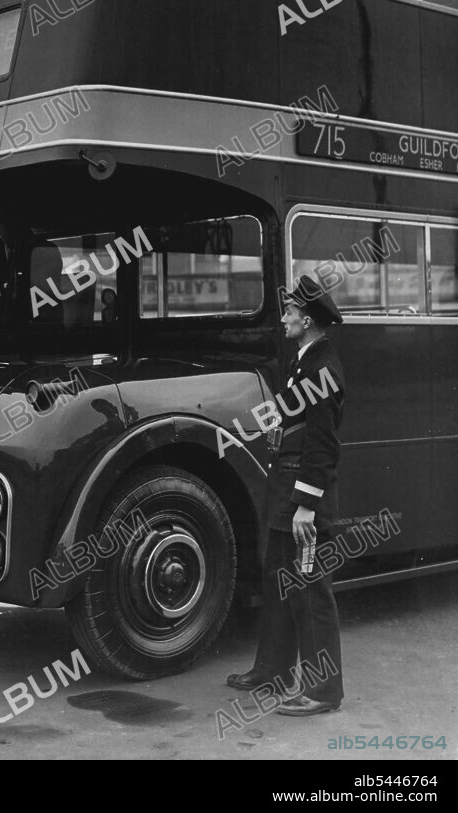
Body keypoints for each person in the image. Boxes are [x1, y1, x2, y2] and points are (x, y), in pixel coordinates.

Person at [227, 275, 346, 717]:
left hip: (302, 500)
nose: (284, 318)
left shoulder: (322, 369)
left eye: (291, 312)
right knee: (279, 579)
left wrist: (306, 506)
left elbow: (323, 444)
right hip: (287, 492)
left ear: (308, 318)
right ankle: (272, 671)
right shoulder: (306, 361)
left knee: (310, 591)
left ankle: (323, 691)